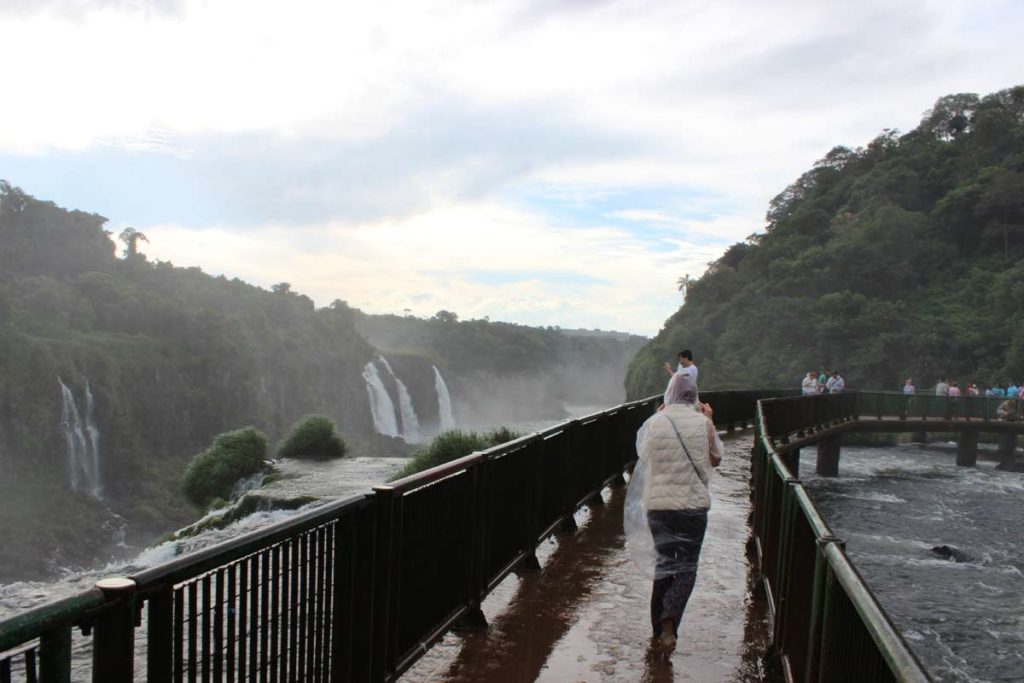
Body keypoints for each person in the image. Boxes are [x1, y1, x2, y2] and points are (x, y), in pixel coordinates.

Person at [631, 373, 720, 652]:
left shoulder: (654, 423)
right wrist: (711, 421)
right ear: (695, 397)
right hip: (693, 508)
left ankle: (657, 632)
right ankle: (670, 618)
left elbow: (644, 457)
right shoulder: (704, 423)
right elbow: (716, 458)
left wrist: (657, 418)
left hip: (658, 508)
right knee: (687, 567)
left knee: (663, 565)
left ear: (668, 395)